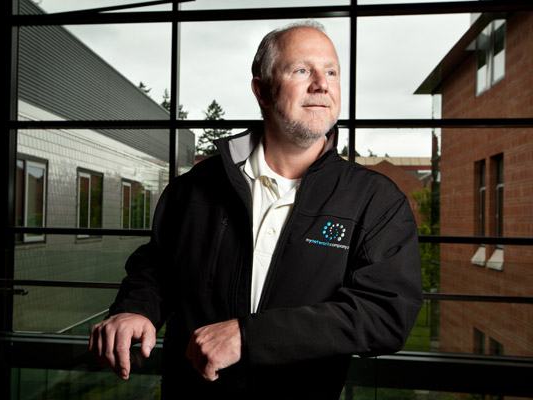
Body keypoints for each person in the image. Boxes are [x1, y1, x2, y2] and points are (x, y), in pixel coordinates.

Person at [90, 20, 423, 399]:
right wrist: (135, 309)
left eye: (331, 71)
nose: (322, 84)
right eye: (302, 70)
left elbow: (386, 315)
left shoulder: (374, 200)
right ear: (262, 91)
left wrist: (250, 338)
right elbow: (157, 269)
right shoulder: (194, 189)